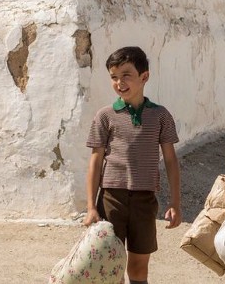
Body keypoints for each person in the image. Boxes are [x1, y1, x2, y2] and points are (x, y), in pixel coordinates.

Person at [83, 46, 182, 284]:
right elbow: (95, 161)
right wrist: (91, 206)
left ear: (144, 76)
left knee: (138, 269)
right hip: (111, 199)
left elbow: (170, 160)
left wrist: (175, 202)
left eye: (126, 75)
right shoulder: (105, 116)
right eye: (114, 77)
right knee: (111, 266)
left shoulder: (161, 116)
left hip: (144, 200)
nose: (119, 82)